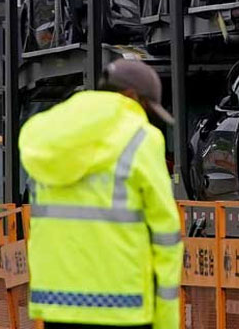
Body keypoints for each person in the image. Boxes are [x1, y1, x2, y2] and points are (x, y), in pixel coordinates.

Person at [19, 59, 182, 329]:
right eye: (146, 108)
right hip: (121, 305)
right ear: (130, 96)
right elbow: (165, 235)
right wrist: (166, 321)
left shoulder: (51, 135)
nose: (145, 117)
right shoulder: (141, 138)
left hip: (57, 303)